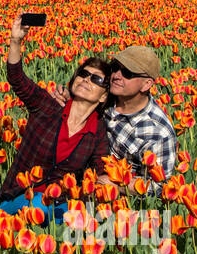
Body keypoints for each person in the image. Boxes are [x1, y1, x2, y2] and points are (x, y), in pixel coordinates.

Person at [0, 14, 113, 225]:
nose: (86, 79)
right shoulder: (48, 107)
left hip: (60, 203)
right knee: (42, 206)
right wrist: (16, 41)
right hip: (22, 197)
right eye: (83, 74)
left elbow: (101, 168)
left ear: (104, 96)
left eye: (96, 79)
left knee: (86, 222)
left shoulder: (97, 131)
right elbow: (17, 79)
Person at [53, 45, 177, 195]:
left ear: (147, 84)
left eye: (127, 73)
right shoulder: (105, 96)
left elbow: (159, 185)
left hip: (114, 201)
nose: (117, 75)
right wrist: (68, 98)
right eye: (115, 67)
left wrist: (118, 184)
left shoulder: (158, 133)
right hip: (71, 180)